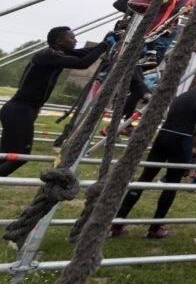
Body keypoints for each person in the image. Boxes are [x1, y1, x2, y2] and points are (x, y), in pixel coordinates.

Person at [0, 27, 114, 176]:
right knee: (20, 157)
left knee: (5, 153)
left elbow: (83, 54)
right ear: (60, 41)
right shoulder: (48, 55)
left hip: (23, 109)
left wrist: (106, 42)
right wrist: (104, 46)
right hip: (20, 109)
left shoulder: (57, 53)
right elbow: (83, 63)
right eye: (72, 38)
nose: (75, 41)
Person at [110, 76, 196, 238]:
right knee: (172, 184)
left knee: (145, 178)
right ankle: (155, 228)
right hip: (180, 139)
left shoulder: (181, 96)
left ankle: (117, 224)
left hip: (162, 136)